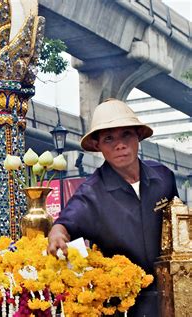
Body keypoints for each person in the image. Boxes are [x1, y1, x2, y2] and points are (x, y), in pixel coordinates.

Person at [47, 98, 178, 317]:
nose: (119, 144)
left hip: (173, 298)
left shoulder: (164, 178)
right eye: (109, 138)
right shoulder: (91, 194)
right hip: (123, 307)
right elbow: (64, 224)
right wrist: (57, 234)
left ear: (138, 136)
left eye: (126, 134)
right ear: (98, 146)